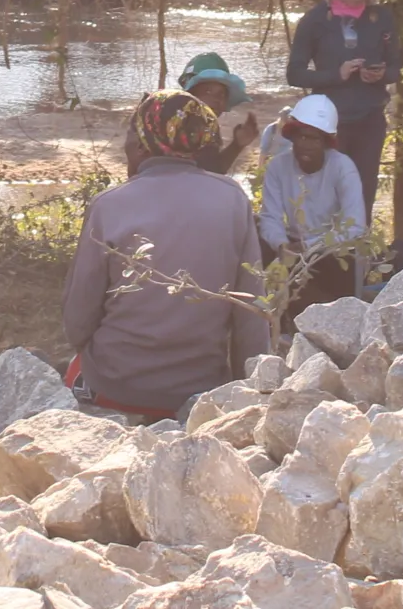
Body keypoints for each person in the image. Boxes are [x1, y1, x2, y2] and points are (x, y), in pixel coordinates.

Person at [62, 89, 271, 419]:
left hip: (116, 386)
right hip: (199, 389)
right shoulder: (232, 199)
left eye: (131, 133)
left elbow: (76, 325)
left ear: (145, 142)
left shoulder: (109, 205)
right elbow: (250, 313)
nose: (124, 144)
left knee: (72, 374)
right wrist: (249, 392)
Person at [288, 0, 400, 217]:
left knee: (362, 195)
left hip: (369, 120)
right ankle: (316, 256)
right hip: (325, 125)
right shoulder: (314, 21)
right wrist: (335, 75)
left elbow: (398, 67)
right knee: (323, 196)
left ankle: (358, 255)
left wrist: (380, 74)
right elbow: (295, 73)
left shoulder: (383, 18)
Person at [258, 94, 367, 311]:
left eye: (315, 139)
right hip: (291, 245)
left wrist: (309, 247)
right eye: (302, 137)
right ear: (293, 137)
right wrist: (281, 245)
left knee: (344, 259)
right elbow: (270, 217)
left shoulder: (343, 168)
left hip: (331, 248)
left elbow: (355, 226)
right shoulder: (278, 167)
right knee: (255, 238)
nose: (307, 145)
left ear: (326, 142)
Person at [180, 52, 260, 174]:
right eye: (207, 91)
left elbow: (212, 170)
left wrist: (237, 145)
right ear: (190, 95)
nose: (216, 99)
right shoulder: (174, 128)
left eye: (222, 94)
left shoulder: (209, 130)